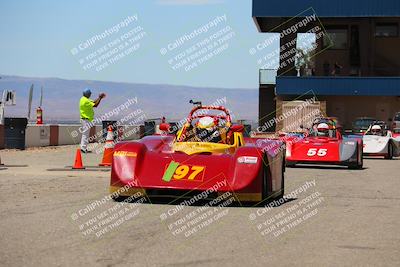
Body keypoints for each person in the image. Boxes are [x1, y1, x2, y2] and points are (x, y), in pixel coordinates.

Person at [79, 88, 105, 153]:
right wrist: (100, 98)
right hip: (86, 120)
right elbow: (95, 105)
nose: (90, 95)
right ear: (88, 94)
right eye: (90, 94)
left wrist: (99, 98)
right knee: (85, 134)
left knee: (85, 134)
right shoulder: (86, 101)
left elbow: (93, 102)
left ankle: (83, 147)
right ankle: (83, 148)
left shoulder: (83, 99)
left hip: (85, 119)